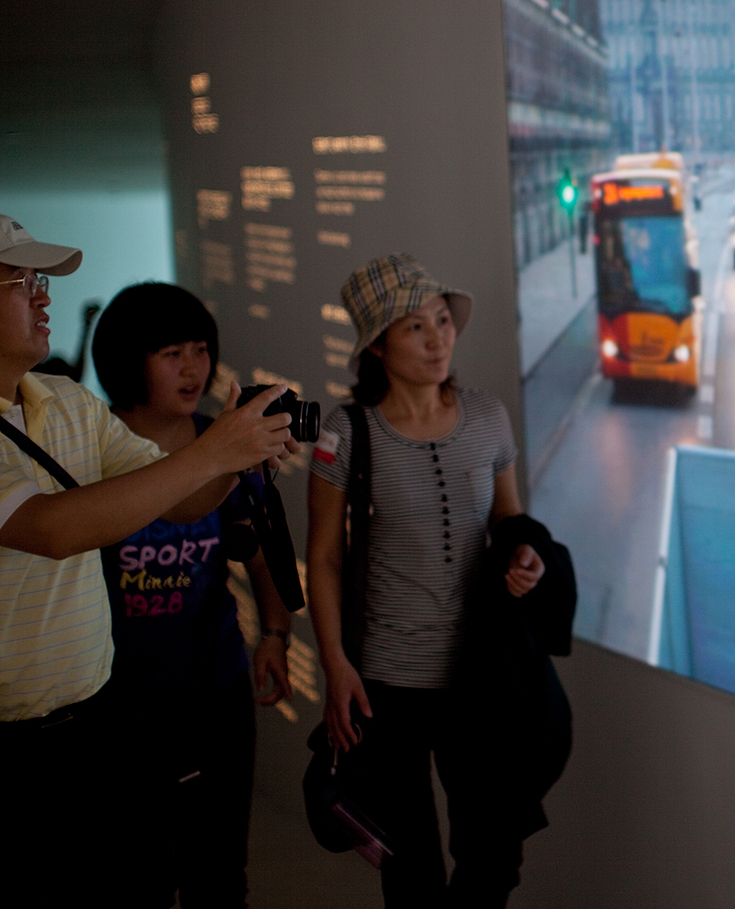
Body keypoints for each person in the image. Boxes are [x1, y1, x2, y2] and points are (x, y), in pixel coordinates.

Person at [0, 216, 295, 904]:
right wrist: (217, 451)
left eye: (43, 282)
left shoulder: (67, 402)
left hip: (94, 718)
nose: (44, 299)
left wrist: (235, 451)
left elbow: (185, 500)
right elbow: (50, 528)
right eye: (23, 282)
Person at [306, 254, 560, 908]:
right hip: (386, 684)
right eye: (415, 327)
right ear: (377, 346)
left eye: (442, 321)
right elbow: (326, 559)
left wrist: (525, 555)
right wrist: (334, 663)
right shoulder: (346, 431)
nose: (438, 338)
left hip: (480, 673)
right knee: (409, 867)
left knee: (494, 854)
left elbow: (509, 522)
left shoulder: (487, 417)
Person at [90, 282, 296, 908]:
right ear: (130, 361)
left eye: (200, 349)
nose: (192, 368)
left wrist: (274, 635)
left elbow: (259, 551)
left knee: (220, 871)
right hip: (119, 701)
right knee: (139, 873)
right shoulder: (90, 445)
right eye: (171, 352)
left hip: (216, 686)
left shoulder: (219, 438)